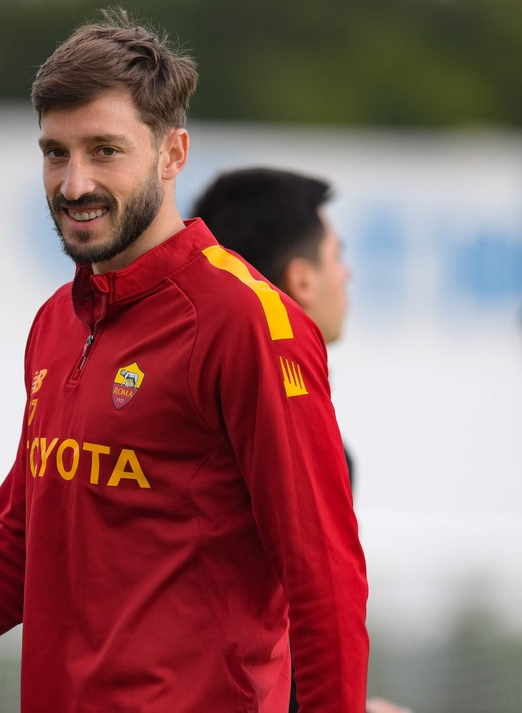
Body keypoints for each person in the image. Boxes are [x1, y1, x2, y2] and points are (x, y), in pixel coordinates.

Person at [0, 9, 369, 713]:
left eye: (104, 150)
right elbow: (19, 550)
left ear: (172, 153)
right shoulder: (55, 322)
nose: (73, 185)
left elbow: (324, 576)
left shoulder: (246, 320)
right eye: (55, 152)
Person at [194, 167, 411, 713]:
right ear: (303, 280)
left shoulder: (185, 415)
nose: (349, 273)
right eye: (335, 254)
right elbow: (286, 635)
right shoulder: (298, 448)